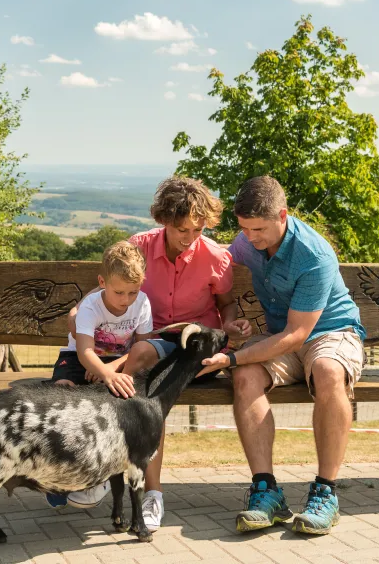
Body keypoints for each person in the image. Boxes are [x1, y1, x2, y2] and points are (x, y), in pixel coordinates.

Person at [62, 176, 247, 530]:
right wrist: (78, 318)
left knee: (144, 380)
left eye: (198, 228)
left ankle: (133, 485)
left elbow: (227, 307)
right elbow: (106, 294)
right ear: (164, 220)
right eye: (181, 229)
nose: (190, 237)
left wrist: (233, 327)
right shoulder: (139, 247)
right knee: (146, 377)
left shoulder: (216, 257)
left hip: (195, 352)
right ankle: (134, 484)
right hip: (149, 347)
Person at [199, 175, 365, 535]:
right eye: (244, 229)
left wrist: (231, 358)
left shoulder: (313, 254)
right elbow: (219, 266)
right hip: (282, 336)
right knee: (245, 377)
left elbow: (298, 335)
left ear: (283, 216)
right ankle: (266, 491)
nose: (250, 237)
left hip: (331, 332)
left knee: (327, 372)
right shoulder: (247, 242)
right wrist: (232, 324)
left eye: (258, 229)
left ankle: (325, 492)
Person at [44, 240, 153, 509]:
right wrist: (101, 370)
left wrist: (110, 370)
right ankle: (55, 478)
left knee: (122, 405)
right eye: (119, 292)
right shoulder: (91, 306)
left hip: (118, 363)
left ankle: (99, 475)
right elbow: (84, 352)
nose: (126, 300)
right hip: (81, 359)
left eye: (133, 292)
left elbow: (142, 348)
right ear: (102, 281)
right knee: (62, 394)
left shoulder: (142, 303)